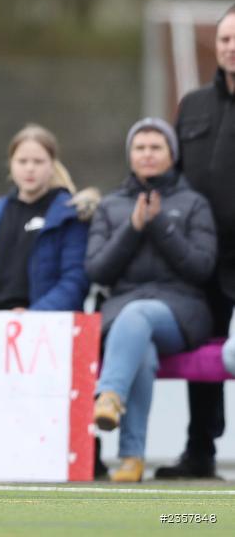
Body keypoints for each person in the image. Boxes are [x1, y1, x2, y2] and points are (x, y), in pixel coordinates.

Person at [88, 118, 216, 482]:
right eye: (140, 148)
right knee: (138, 346)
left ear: (172, 155)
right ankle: (132, 458)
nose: (147, 155)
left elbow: (201, 267)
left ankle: (110, 393)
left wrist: (160, 225)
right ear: (130, 155)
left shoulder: (193, 204)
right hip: (124, 313)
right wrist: (133, 228)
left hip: (181, 311)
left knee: (138, 314)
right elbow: (97, 271)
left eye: (156, 147)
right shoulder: (111, 205)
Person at [156, 3, 235, 479]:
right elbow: (175, 175)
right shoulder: (193, 106)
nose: (230, 48)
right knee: (203, 356)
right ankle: (199, 451)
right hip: (204, 259)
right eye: (225, 39)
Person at [0, 124, 89, 312]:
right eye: (22, 161)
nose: (30, 168)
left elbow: (74, 282)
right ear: (11, 164)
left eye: (38, 162)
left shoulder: (70, 215)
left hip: (45, 329)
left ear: (52, 165)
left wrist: (33, 315)